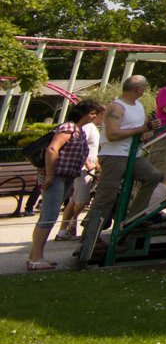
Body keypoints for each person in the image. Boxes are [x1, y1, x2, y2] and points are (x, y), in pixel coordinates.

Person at [77, 76, 164, 266]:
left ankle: (134, 217)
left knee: (153, 176)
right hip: (114, 155)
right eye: (144, 87)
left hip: (133, 154)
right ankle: (89, 237)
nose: (145, 89)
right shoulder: (116, 107)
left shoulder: (138, 106)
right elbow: (112, 134)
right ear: (137, 88)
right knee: (106, 196)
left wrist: (146, 132)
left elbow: (138, 130)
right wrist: (142, 128)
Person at [25, 99, 101, 271]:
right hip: (56, 177)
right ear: (84, 113)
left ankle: (34, 256)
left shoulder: (79, 131)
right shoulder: (68, 128)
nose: (94, 117)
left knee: (48, 216)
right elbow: (52, 149)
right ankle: (36, 259)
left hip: (67, 177)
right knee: (49, 216)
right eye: (93, 113)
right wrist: (50, 175)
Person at [55, 100, 104, 241]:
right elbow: (80, 144)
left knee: (75, 200)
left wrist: (96, 162)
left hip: (87, 167)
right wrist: (87, 162)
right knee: (81, 201)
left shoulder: (92, 127)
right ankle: (70, 224)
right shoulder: (88, 127)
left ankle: (65, 230)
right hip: (83, 169)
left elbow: (89, 148)